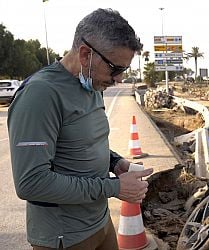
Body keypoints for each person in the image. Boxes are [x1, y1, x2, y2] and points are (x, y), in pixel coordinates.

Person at [8, 8, 153, 249]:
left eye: (123, 71)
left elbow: (84, 144)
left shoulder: (92, 85)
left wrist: (116, 163)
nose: (118, 79)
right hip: (65, 236)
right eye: (115, 69)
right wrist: (114, 187)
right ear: (85, 54)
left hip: (100, 222)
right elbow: (31, 183)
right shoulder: (42, 94)